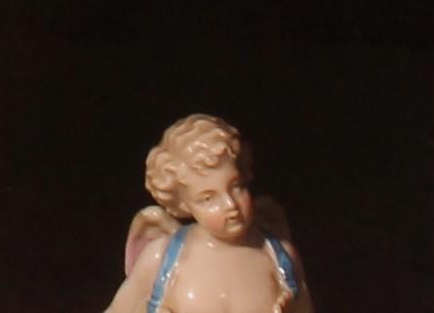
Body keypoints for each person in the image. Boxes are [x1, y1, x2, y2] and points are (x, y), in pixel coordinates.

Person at [101, 115, 310, 313]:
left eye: (236, 187)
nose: (230, 205)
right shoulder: (163, 259)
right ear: (183, 204)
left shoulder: (278, 258)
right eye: (208, 198)